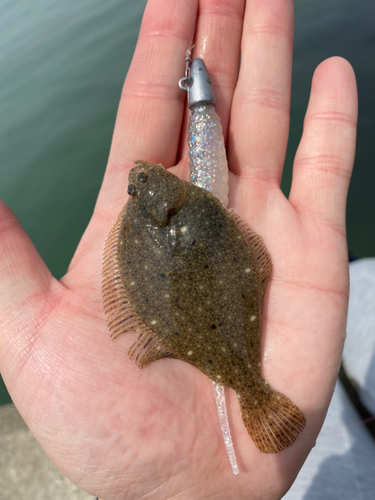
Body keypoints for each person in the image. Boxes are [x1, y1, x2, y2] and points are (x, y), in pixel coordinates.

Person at [0, 0, 357, 498]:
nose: (140, 177)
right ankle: (254, 391)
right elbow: (236, 238)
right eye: (139, 181)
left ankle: (252, 391)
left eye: (142, 179)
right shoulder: (179, 205)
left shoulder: (137, 227)